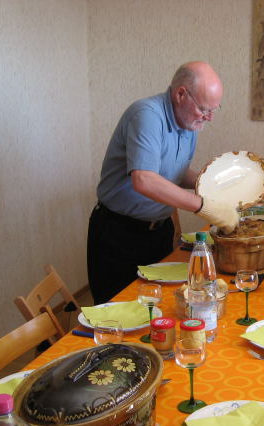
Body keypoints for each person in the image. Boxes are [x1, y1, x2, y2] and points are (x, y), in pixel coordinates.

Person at [87, 61, 239, 305]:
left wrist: (212, 186)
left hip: (158, 231)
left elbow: (175, 172)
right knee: (116, 312)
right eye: (204, 109)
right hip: (119, 234)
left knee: (161, 306)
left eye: (214, 109)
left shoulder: (188, 122)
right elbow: (144, 179)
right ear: (181, 94)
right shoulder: (146, 115)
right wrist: (204, 205)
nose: (209, 117)